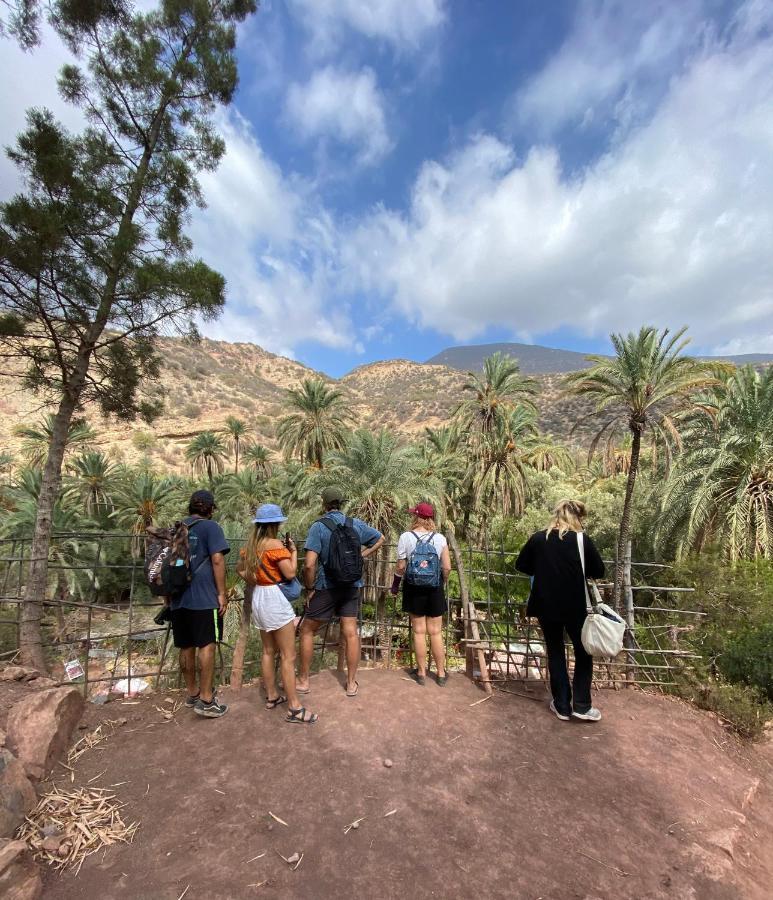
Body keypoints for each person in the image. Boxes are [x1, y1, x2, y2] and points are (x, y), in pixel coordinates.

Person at [515, 499, 605, 722]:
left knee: (555, 651)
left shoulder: (539, 539)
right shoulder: (582, 541)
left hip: (546, 605)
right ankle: (582, 706)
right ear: (577, 518)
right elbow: (599, 571)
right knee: (583, 652)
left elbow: (521, 565)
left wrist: (545, 567)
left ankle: (562, 705)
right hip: (576, 606)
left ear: (556, 515)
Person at [297, 486, 384, 697]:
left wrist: (309, 589)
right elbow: (380, 538)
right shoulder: (355, 524)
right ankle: (352, 683)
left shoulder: (318, 527)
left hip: (327, 586)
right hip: (352, 585)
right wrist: (363, 554)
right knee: (351, 632)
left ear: (324, 504)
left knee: (307, 630)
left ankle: (304, 680)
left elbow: (309, 565)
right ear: (341, 503)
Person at [237, 504, 317, 725]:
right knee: (288, 656)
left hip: (259, 597)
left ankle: (272, 695)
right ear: (275, 524)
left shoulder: (251, 546)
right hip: (275, 600)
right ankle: (294, 707)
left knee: (267, 650)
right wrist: (293, 552)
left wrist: (258, 579)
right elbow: (290, 573)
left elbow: (240, 570)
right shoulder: (274, 545)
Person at [171, 489, 230, 719]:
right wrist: (222, 593)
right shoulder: (211, 528)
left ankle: (193, 692)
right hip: (204, 598)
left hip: (178, 599)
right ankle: (207, 699)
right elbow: (217, 559)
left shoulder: (177, 528)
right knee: (207, 645)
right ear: (210, 508)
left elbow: (170, 563)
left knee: (186, 646)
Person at [390, 502, 451, 686]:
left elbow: (401, 566)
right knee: (436, 632)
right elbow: (447, 567)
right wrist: (441, 581)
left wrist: (395, 586)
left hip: (413, 587)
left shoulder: (406, 537)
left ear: (416, 517)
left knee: (418, 631)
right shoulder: (440, 538)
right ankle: (440, 674)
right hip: (434, 588)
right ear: (431, 519)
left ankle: (422, 673)